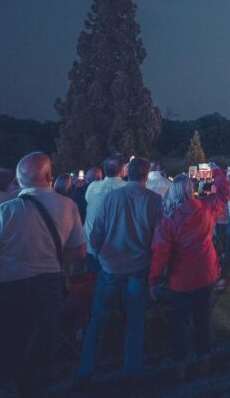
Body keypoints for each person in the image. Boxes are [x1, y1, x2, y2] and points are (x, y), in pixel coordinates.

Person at [0, 152, 86, 398]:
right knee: (40, 354)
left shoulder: (5, 211)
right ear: (49, 176)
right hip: (49, 287)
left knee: (9, 347)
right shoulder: (68, 206)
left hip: (9, 289)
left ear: (20, 180)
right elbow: (78, 253)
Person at [77, 157, 162, 384]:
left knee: (98, 318)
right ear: (145, 175)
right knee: (135, 319)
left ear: (128, 173)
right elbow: (159, 236)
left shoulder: (111, 197)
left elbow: (97, 230)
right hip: (139, 265)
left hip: (111, 265)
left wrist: (99, 253)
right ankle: (131, 368)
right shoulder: (154, 200)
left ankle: (86, 368)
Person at [149, 164, 229, 380]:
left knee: (180, 323)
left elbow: (160, 253)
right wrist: (217, 171)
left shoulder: (169, 220)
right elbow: (224, 194)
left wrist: (153, 280)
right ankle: (204, 359)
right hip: (205, 274)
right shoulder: (205, 207)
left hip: (181, 279)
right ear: (190, 190)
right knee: (202, 319)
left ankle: (180, 364)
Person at [83, 155, 127, 267]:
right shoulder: (127, 188)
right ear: (122, 170)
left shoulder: (92, 186)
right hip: (116, 249)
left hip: (90, 245)